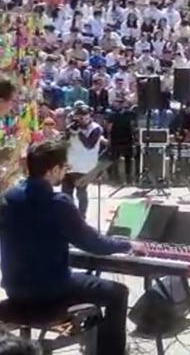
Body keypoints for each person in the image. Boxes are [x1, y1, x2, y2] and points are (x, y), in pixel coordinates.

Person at [0, 139, 139, 355]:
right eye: (65, 167)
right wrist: (127, 244)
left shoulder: (8, 198)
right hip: (50, 292)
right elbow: (94, 244)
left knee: (81, 276)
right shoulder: (58, 202)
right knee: (118, 292)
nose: (65, 172)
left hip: (15, 288)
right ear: (53, 169)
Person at [62, 105, 103, 217]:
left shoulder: (96, 128)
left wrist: (79, 132)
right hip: (70, 165)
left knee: (81, 192)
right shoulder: (71, 127)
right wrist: (68, 131)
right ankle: (68, 215)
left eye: (83, 117)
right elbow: (64, 143)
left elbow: (89, 145)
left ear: (89, 116)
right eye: (78, 117)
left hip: (85, 167)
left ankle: (81, 216)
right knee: (66, 193)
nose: (80, 120)